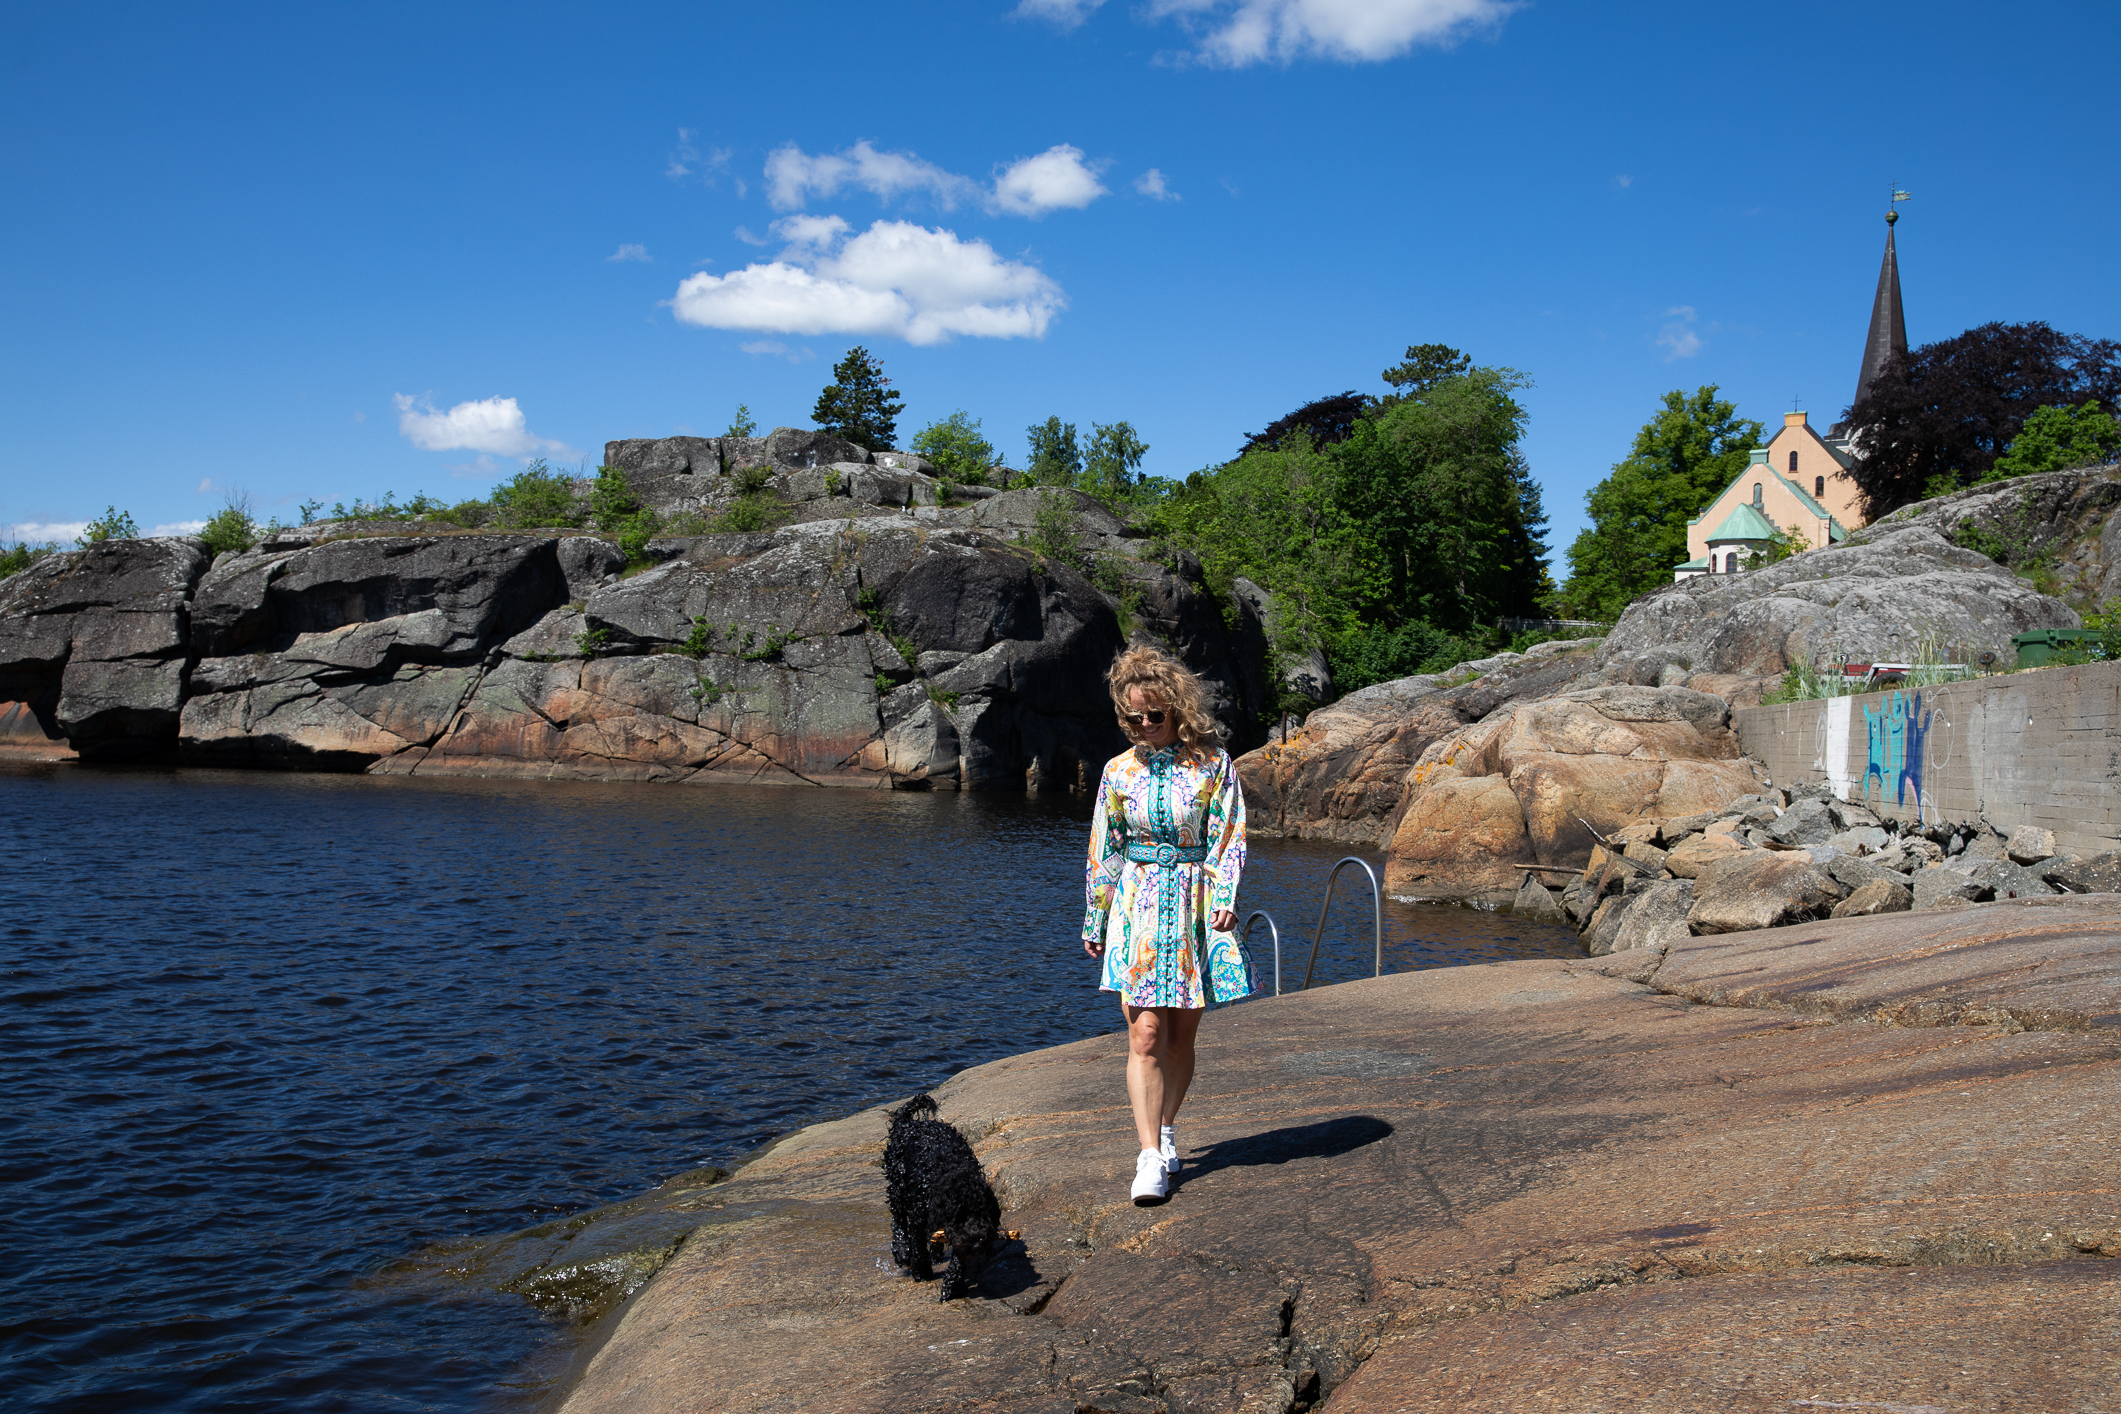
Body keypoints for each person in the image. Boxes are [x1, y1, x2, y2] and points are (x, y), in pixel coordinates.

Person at [1081, 644, 1249, 1205]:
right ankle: (1149, 1155)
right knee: (1145, 1033)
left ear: (1177, 709)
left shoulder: (1212, 763)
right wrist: (1095, 914)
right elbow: (1105, 847)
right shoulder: (1116, 772)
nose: (1144, 725)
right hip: (1139, 907)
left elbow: (1230, 832)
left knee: (1180, 1036)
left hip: (1197, 906)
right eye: (1134, 717)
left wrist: (1226, 893)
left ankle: (1169, 1127)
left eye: (1154, 715)